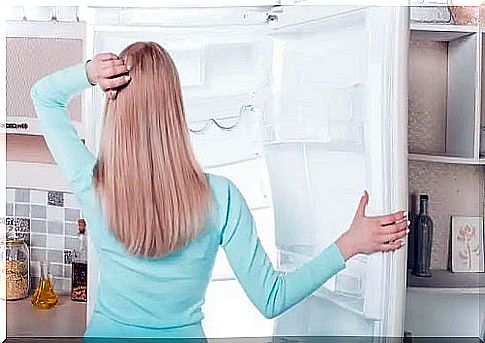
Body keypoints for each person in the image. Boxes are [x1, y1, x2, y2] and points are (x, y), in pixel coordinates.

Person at [31, 41, 409, 340]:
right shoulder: (220, 198)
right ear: (174, 110)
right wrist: (350, 243)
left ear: (115, 106)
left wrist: (90, 73)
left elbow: (44, 97)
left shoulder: (92, 184)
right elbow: (271, 298)